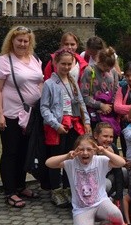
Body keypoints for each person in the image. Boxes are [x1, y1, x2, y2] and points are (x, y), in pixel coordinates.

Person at [0, 25, 45, 208]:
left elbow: (40, 82)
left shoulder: (35, 59)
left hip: (31, 114)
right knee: (11, 152)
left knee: (24, 152)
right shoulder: (4, 61)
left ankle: (21, 186)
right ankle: (10, 191)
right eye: (19, 40)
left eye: (25, 40)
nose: (22, 44)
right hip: (11, 114)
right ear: (11, 41)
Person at [40, 49, 91, 206]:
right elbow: (44, 108)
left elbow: (81, 102)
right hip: (59, 126)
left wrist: (86, 121)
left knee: (72, 157)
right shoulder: (49, 83)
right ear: (55, 63)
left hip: (74, 124)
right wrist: (56, 124)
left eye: (70, 64)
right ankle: (56, 189)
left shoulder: (73, 81)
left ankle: (69, 188)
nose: (66, 67)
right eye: (63, 63)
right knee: (58, 159)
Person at [45, 134, 126, 225]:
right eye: (81, 149)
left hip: (101, 202)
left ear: (95, 151)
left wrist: (104, 151)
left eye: (89, 149)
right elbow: (48, 163)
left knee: (116, 214)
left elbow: (121, 162)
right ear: (75, 150)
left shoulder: (100, 160)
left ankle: (107, 222)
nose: (85, 153)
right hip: (82, 209)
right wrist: (67, 156)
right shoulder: (71, 162)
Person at [81, 47, 120, 132]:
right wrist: (101, 106)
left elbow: (116, 91)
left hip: (110, 114)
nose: (108, 70)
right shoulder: (89, 71)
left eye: (110, 67)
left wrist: (110, 107)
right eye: (105, 67)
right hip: (94, 115)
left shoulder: (113, 71)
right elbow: (84, 96)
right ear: (99, 61)